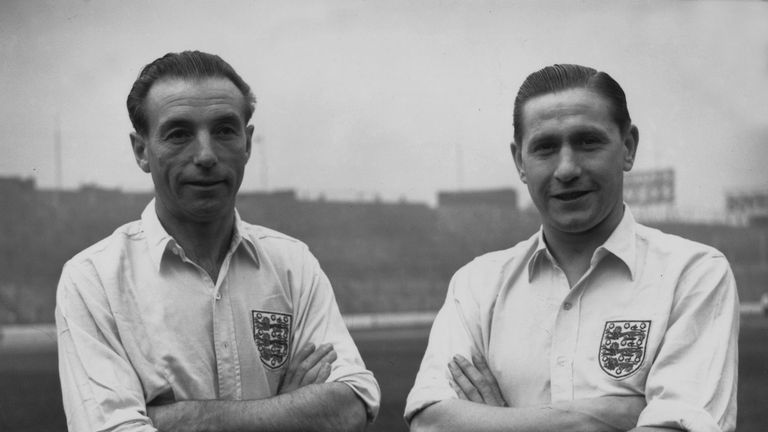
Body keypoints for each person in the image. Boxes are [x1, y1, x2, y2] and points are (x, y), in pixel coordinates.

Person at [55, 51, 379, 432]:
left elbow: (351, 406)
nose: (206, 155)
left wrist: (183, 420)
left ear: (247, 143)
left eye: (224, 130)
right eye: (179, 134)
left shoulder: (293, 264)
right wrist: (284, 411)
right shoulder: (94, 280)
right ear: (142, 151)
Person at [406, 64, 739, 432]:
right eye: (545, 148)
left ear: (628, 148)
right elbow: (430, 421)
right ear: (520, 161)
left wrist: (497, 422)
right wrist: (598, 418)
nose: (566, 168)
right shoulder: (475, 285)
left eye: (587, 141)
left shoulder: (693, 274)